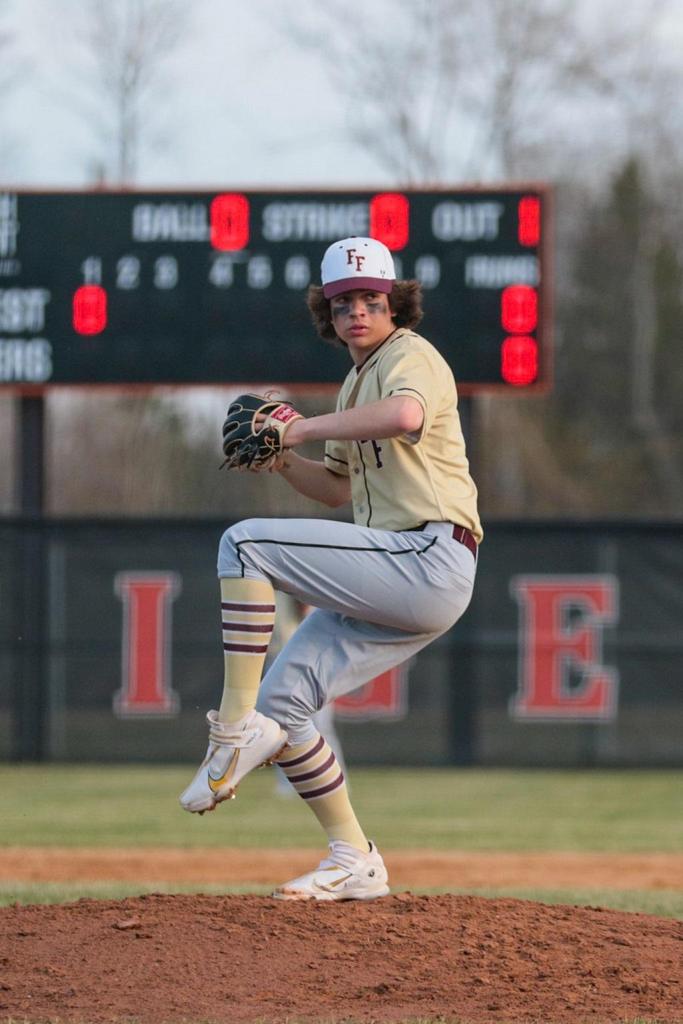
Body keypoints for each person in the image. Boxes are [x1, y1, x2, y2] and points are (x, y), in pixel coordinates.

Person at [180, 236, 482, 901]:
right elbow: (335, 491)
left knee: (244, 543)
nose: (358, 312)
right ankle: (355, 858)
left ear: (394, 302)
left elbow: (404, 416)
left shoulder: (411, 355)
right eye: (344, 302)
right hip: (400, 570)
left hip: (428, 554)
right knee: (285, 706)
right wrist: (285, 461)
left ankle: (231, 731)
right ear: (327, 311)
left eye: (372, 299)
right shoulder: (354, 380)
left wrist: (297, 428)